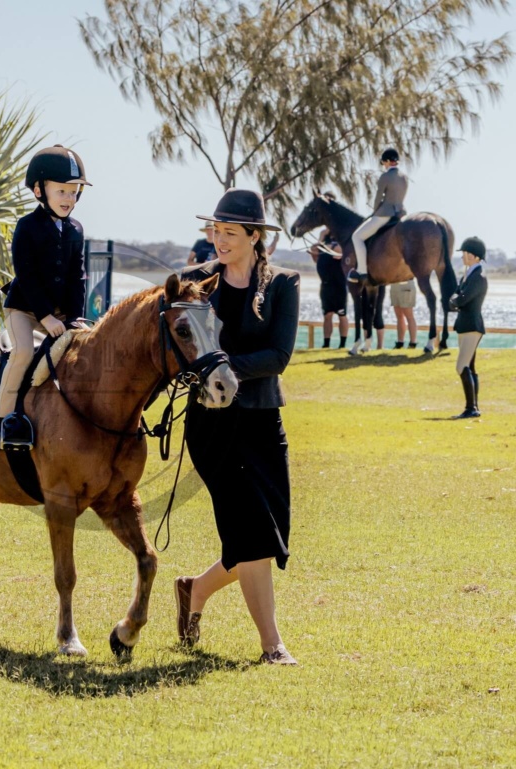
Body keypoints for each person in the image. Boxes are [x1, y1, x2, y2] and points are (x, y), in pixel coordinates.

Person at [174, 189, 301, 665]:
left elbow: (279, 357)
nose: (219, 240)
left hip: (264, 419)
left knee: (267, 536)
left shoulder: (283, 284)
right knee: (252, 533)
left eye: (229, 233)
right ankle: (272, 646)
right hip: (211, 426)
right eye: (215, 231)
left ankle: (195, 590)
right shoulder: (194, 282)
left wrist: (221, 365)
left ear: (254, 236)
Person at [0, 145, 90, 450]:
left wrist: (74, 319)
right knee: (22, 354)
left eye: (74, 192)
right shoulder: (26, 227)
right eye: (62, 191)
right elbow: (27, 276)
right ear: (38, 191)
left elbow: (77, 278)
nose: (69, 199)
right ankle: (0, 423)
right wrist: (45, 316)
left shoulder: (76, 230)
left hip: (59, 314)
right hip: (24, 309)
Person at [348, 148, 408, 284]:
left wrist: (374, 211)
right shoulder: (404, 177)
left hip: (385, 214)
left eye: (383, 163)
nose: (384, 165)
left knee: (357, 237)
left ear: (387, 161)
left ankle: (361, 271)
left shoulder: (385, 176)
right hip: (400, 213)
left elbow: (378, 198)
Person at [449, 236, 488, 419]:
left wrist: (455, 301)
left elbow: (462, 298)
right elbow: (456, 296)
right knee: (470, 367)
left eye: (465, 253)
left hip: (472, 326)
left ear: (474, 256)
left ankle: (471, 407)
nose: (463, 256)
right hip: (465, 325)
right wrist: (455, 300)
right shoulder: (468, 274)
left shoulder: (478, 276)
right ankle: (474, 406)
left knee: (461, 366)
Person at [309, 193, 349, 348]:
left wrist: (326, 246)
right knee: (327, 314)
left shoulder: (341, 230)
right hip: (325, 282)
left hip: (339, 281)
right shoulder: (323, 234)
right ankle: (326, 344)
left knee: (341, 313)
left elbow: (340, 251)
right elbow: (317, 251)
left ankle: (342, 344)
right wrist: (319, 244)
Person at [389, 279, 418, 348]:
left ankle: (412, 343)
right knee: (399, 316)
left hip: (406, 285)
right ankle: (400, 342)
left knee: (409, 315)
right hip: (394, 284)